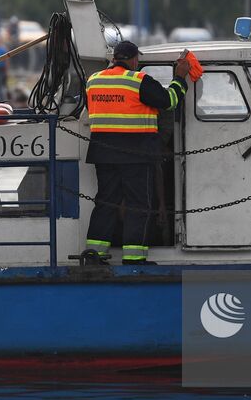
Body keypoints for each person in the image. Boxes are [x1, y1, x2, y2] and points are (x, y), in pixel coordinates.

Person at [82, 40, 191, 265]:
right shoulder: (138, 81)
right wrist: (180, 77)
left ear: (114, 59)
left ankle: (95, 254)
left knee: (105, 202)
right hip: (136, 154)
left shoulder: (93, 81)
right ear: (134, 60)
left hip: (104, 153)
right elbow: (170, 101)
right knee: (138, 204)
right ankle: (134, 257)